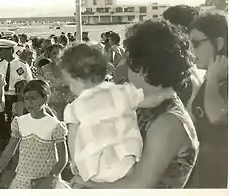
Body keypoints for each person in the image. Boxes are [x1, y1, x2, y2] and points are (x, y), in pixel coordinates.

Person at [73, 19, 199, 188]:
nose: (125, 65)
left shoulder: (168, 122)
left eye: (130, 61)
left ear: (144, 67)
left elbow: (139, 185)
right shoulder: (146, 104)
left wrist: (87, 184)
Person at [60, 44, 144, 184]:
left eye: (69, 82)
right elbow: (146, 99)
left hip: (96, 169)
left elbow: (72, 139)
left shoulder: (75, 107)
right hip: (127, 161)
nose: (70, 87)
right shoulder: (123, 91)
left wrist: (74, 164)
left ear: (78, 80)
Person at [0, 79, 69, 189]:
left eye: (34, 98)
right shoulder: (20, 122)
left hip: (46, 182)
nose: (29, 102)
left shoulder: (54, 125)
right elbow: (9, 151)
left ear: (45, 98)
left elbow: (63, 159)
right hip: (23, 180)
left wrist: (49, 179)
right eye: (26, 98)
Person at [188, 12, 228, 188]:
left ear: (218, 43)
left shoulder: (216, 78)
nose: (192, 51)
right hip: (207, 173)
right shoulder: (213, 76)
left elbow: (217, 116)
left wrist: (211, 81)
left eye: (196, 44)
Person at [0, 44, 32, 124]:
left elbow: (29, 83)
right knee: (3, 121)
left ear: (10, 51)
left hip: (18, 98)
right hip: (3, 97)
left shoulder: (23, 65)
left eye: (2, 50)